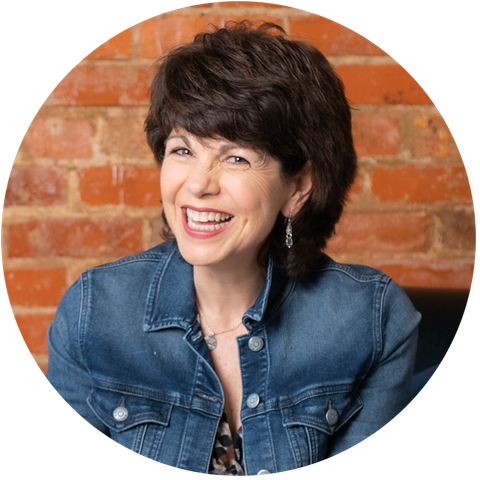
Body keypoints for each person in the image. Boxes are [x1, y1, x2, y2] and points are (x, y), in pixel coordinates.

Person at [46, 21, 421, 475]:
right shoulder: (93, 315)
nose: (198, 185)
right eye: (182, 150)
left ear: (298, 187)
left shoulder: (371, 322)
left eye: (236, 157)